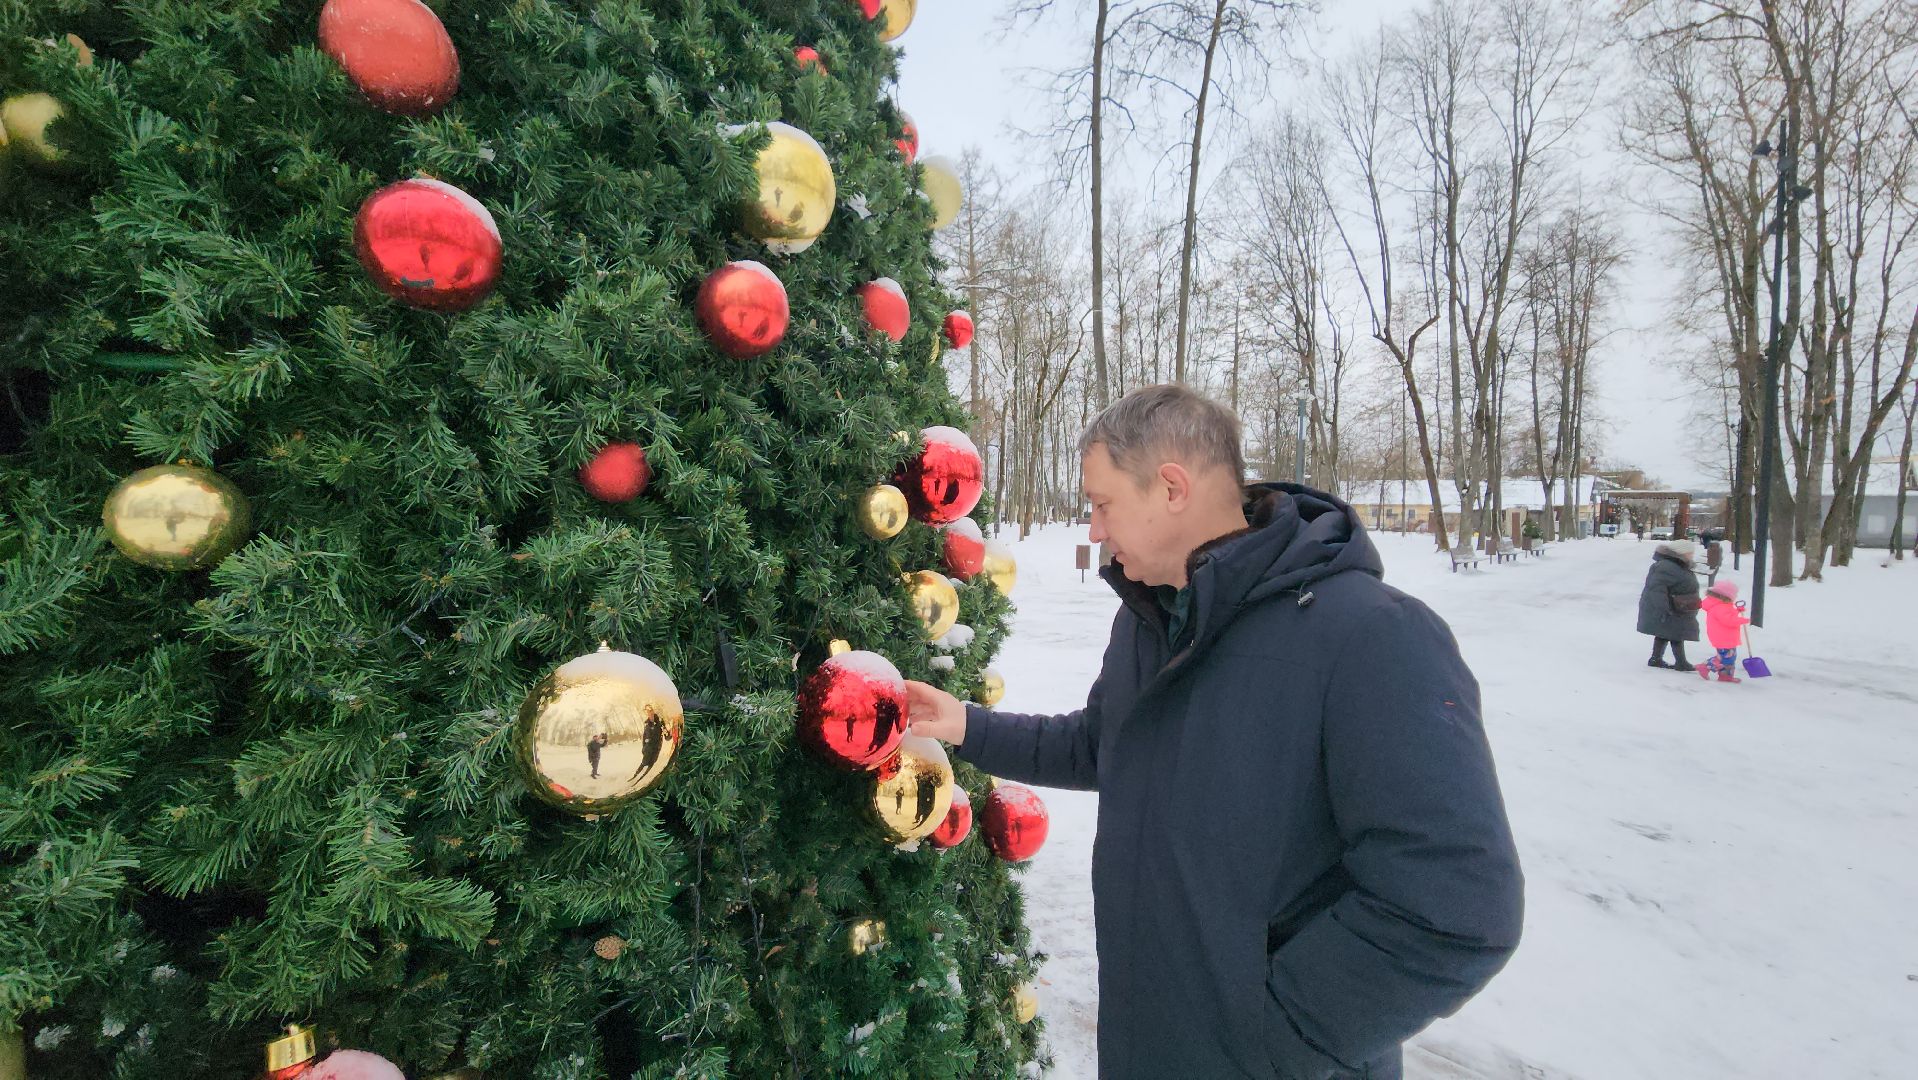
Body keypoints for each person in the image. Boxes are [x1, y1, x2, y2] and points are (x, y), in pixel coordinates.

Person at [903, 384, 1523, 1080]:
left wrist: (1267, 1042)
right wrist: (962, 723)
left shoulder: (1372, 636)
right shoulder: (1151, 620)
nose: (1095, 531)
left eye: (1103, 504)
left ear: (1171, 487)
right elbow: (1101, 744)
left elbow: (1452, 910)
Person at [1637, 538, 1701, 671]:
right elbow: (1657, 589)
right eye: (1690, 553)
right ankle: (1680, 662)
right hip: (1671, 606)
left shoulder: (1676, 564)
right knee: (1676, 633)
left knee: (1665, 632)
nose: (1691, 555)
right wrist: (1663, 608)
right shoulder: (1667, 566)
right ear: (1682, 553)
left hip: (1677, 605)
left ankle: (1656, 658)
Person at [1697, 579, 1752, 683]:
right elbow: (1728, 620)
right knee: (1726, 658)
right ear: (1726, 596)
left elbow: (1728, 615)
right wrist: (1743, 620)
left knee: (1730, 657)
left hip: (1725, 637)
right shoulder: (1720, 607)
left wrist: (1737, 611)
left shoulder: (1721, 606)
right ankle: (1705, 666)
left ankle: (1725, 676)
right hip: (1723, 637)